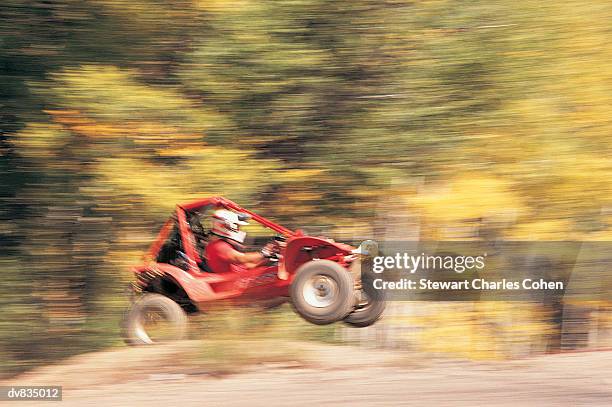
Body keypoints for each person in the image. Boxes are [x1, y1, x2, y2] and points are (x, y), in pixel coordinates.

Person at [205, 209, 276, 273]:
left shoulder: (222, 245)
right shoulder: (219, 246)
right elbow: (242, 258)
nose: (239, 230)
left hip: (239, 279)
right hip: (233, 284)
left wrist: (267, 260)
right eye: (237, 226)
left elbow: (247, 266)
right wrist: (264, 253)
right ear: (226, 226)